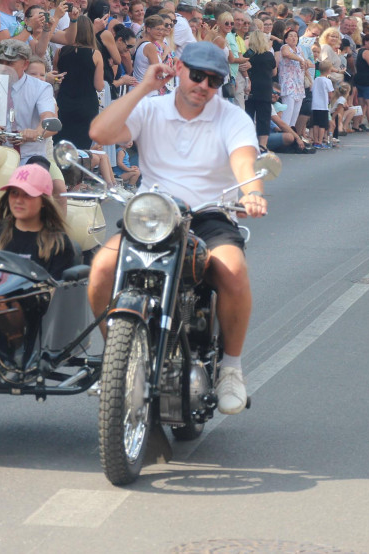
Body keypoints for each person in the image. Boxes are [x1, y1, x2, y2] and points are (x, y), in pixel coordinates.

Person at [88, 42, 267, 415]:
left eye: (213, 80)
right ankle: (116, 361)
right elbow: (101, 134)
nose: (203, 85)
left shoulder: (232, 118)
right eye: (197, 74)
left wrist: (252, 193)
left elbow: (244, 162)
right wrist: (143, 87)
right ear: (179, 69)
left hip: (209, 214)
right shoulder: (150, 108)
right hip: (154, 215)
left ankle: (231, 369)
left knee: (233, 270)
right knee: (102, 269)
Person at [0, 164, 76, 279]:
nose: (18, 200)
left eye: (27, 194)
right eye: (14, 193)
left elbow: (56, 293)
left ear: (43, 201)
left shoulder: (58, 244)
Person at [53, 14, 103, 150]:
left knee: (61, 145)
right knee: (81, 149)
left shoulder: (59, 52)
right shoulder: (95, 54)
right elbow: (99, 86)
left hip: (64, 102)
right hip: (86, 105)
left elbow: (56, 79)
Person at [243, 29, 275, 150]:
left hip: (251, 88)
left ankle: (249, 143)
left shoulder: (248, 54)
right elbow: (274, 71)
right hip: (265, 88)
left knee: (249, 116)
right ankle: (263, 145)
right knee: (264, 117)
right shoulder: (269, 55)